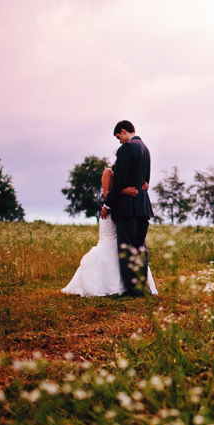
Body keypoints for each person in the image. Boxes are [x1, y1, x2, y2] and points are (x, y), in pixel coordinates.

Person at [62, 166, 158, 297]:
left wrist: (144, 186)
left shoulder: (130, 174)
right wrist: (125, 191)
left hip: (124, 212)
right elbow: (107, 194)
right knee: (109, 243)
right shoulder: (109, 172)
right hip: (110, 211)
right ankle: (105, 284)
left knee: (125, 245)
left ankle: (129, 285)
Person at [101, 120, 154, 297]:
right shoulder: (145, 149)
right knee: (140, 249)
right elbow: (146, 181)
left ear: (123, 131)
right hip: (143, 207)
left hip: (127, 209)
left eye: (119, 137)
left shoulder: (126, 148)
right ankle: (143, 287)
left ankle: (133, 290)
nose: (120, 142)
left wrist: (108, 204)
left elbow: (119, 181)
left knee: (127, 249)